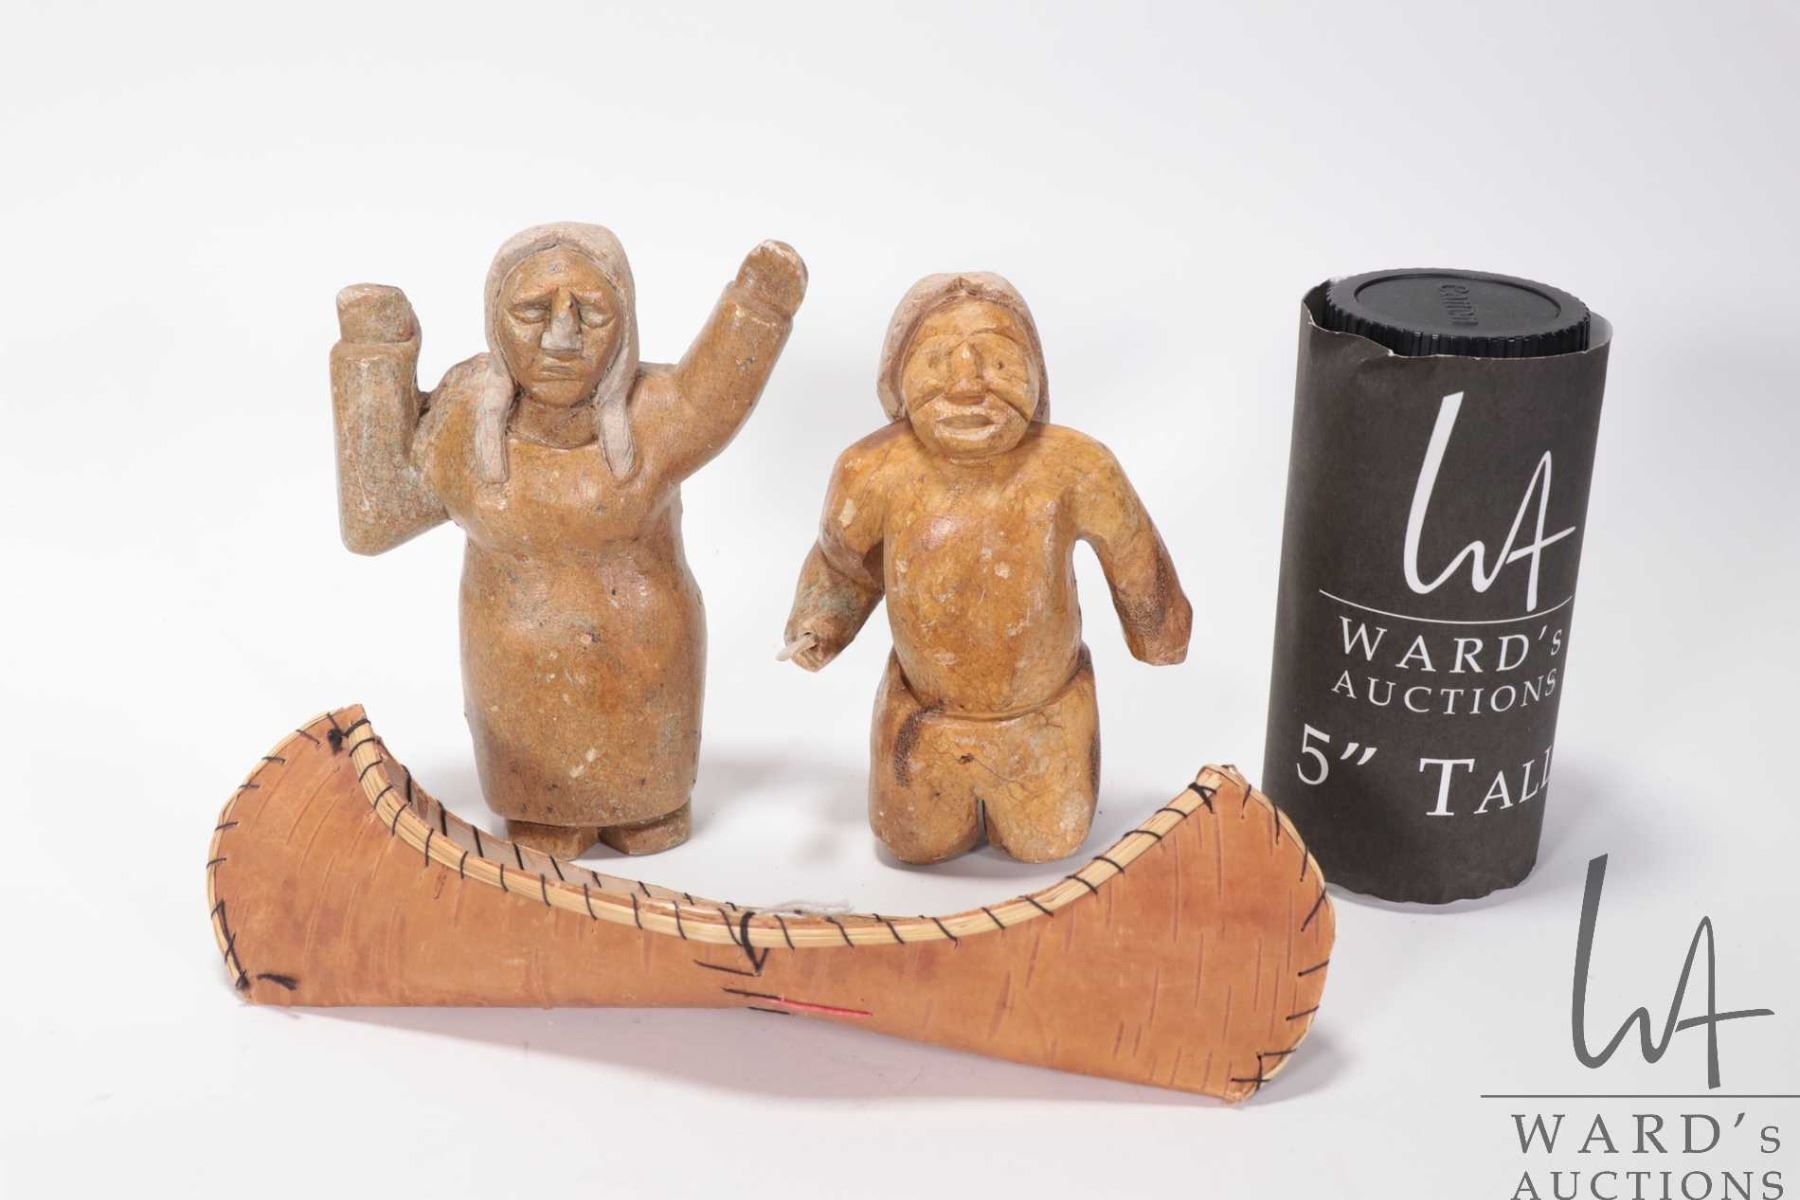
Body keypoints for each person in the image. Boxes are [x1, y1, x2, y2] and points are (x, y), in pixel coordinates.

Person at [331, 223, 807, 856]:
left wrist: (761, 302)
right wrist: (375, 351)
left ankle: (649, 806)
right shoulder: (465, 419)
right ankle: (550, 811)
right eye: (532, 312)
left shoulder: (653, 418)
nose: (561, 336)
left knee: (654, 821)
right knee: (542, 833)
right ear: (494, 323)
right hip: (518, 696)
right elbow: (377, 518)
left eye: (592, 313)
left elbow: (713, 395)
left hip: (647, 681)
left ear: (626, 324)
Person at [783, 272, 1189, 863]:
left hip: (1045, 725)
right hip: (921, 728)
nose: (967, 384)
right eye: (936, 360)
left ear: (1035, 374)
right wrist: (820, 624)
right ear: (898, 380)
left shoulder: (1077, 468)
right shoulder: (872, 473)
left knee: (1050, 841)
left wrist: (1159, 632)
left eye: (997, 360)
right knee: (911, 842)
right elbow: (845, 568)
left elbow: (1135, 556)